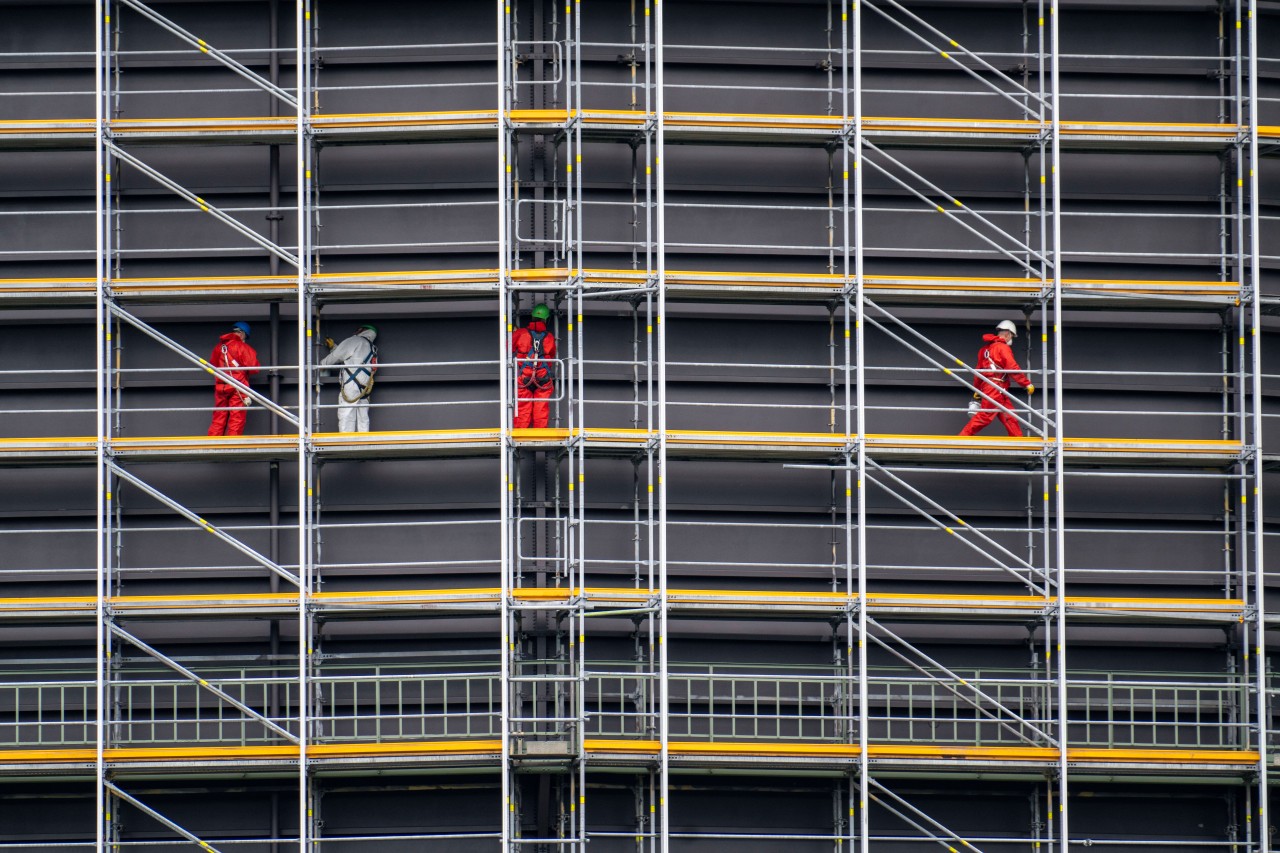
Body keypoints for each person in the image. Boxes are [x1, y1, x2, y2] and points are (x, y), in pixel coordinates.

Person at [959, 319, 1036, 437]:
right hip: (995, 388)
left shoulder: (984, 350)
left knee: (1010, 417)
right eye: (1012, 336)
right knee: (985, 416)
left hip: (995, 388)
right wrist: (1026, 383)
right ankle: (962, 437)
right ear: (1008, 334)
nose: (1011, 339)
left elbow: (978, 371)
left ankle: (1018, 441)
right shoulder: (1003, 348)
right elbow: (1012, 367)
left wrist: (978, 390)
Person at [320, 324, 379, 433]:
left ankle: (345, 441)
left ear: (362, 330)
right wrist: (333, 347)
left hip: (351, 383)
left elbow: (337, 356)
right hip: (365, 386)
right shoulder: (372, 348)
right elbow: (351, 358)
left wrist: (321, 365)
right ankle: (363, 441)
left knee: (346, 412)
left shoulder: (355, 340)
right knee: (362, 415)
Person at [207, 321, 260, 436]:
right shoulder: (243, 347)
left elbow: (213, 364)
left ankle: (212, 443)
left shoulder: (218, 348)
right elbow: (254, 368)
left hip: (221, 386)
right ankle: (232, 444)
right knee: (237, 417)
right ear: (242, 334)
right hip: (238, 386)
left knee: (218, 417)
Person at [511, 303, 556, 428]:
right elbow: (552, 356)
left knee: (523, 406)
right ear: (546, 319)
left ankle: (521, 433)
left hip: (525, 375)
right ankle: (540, 434)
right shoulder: (550, 337)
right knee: (541, 406)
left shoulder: (520, 333)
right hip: (543, 376)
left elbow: (507, 348)